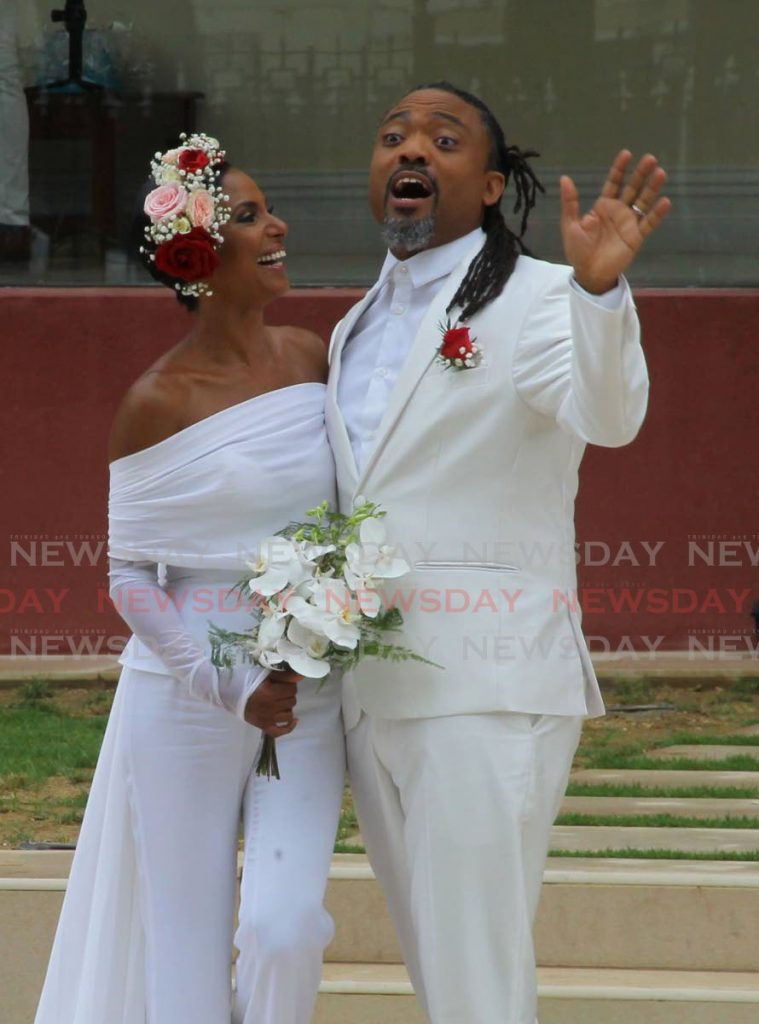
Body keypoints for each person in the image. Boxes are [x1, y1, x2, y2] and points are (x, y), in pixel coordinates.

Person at [326, 82, 670, 1023]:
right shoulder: (353, 327)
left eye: (442, 140)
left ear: (486, 185)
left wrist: (597, 293)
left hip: (486, 687)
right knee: (443, 971)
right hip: (374, 692)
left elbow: (610, 417)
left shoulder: (546, 296)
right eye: (391, 135)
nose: (409, 151)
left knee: (477, 973)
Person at [35, 134, 345, 1024]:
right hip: (183, 698)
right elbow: (128, 573)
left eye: (268, 206)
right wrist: (223, 681)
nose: (278, 226)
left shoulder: (312, 357)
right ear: (198, 256)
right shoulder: (156, 401)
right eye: (250, 216)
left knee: (285, 928)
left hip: (307, 685)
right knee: (185, 944)